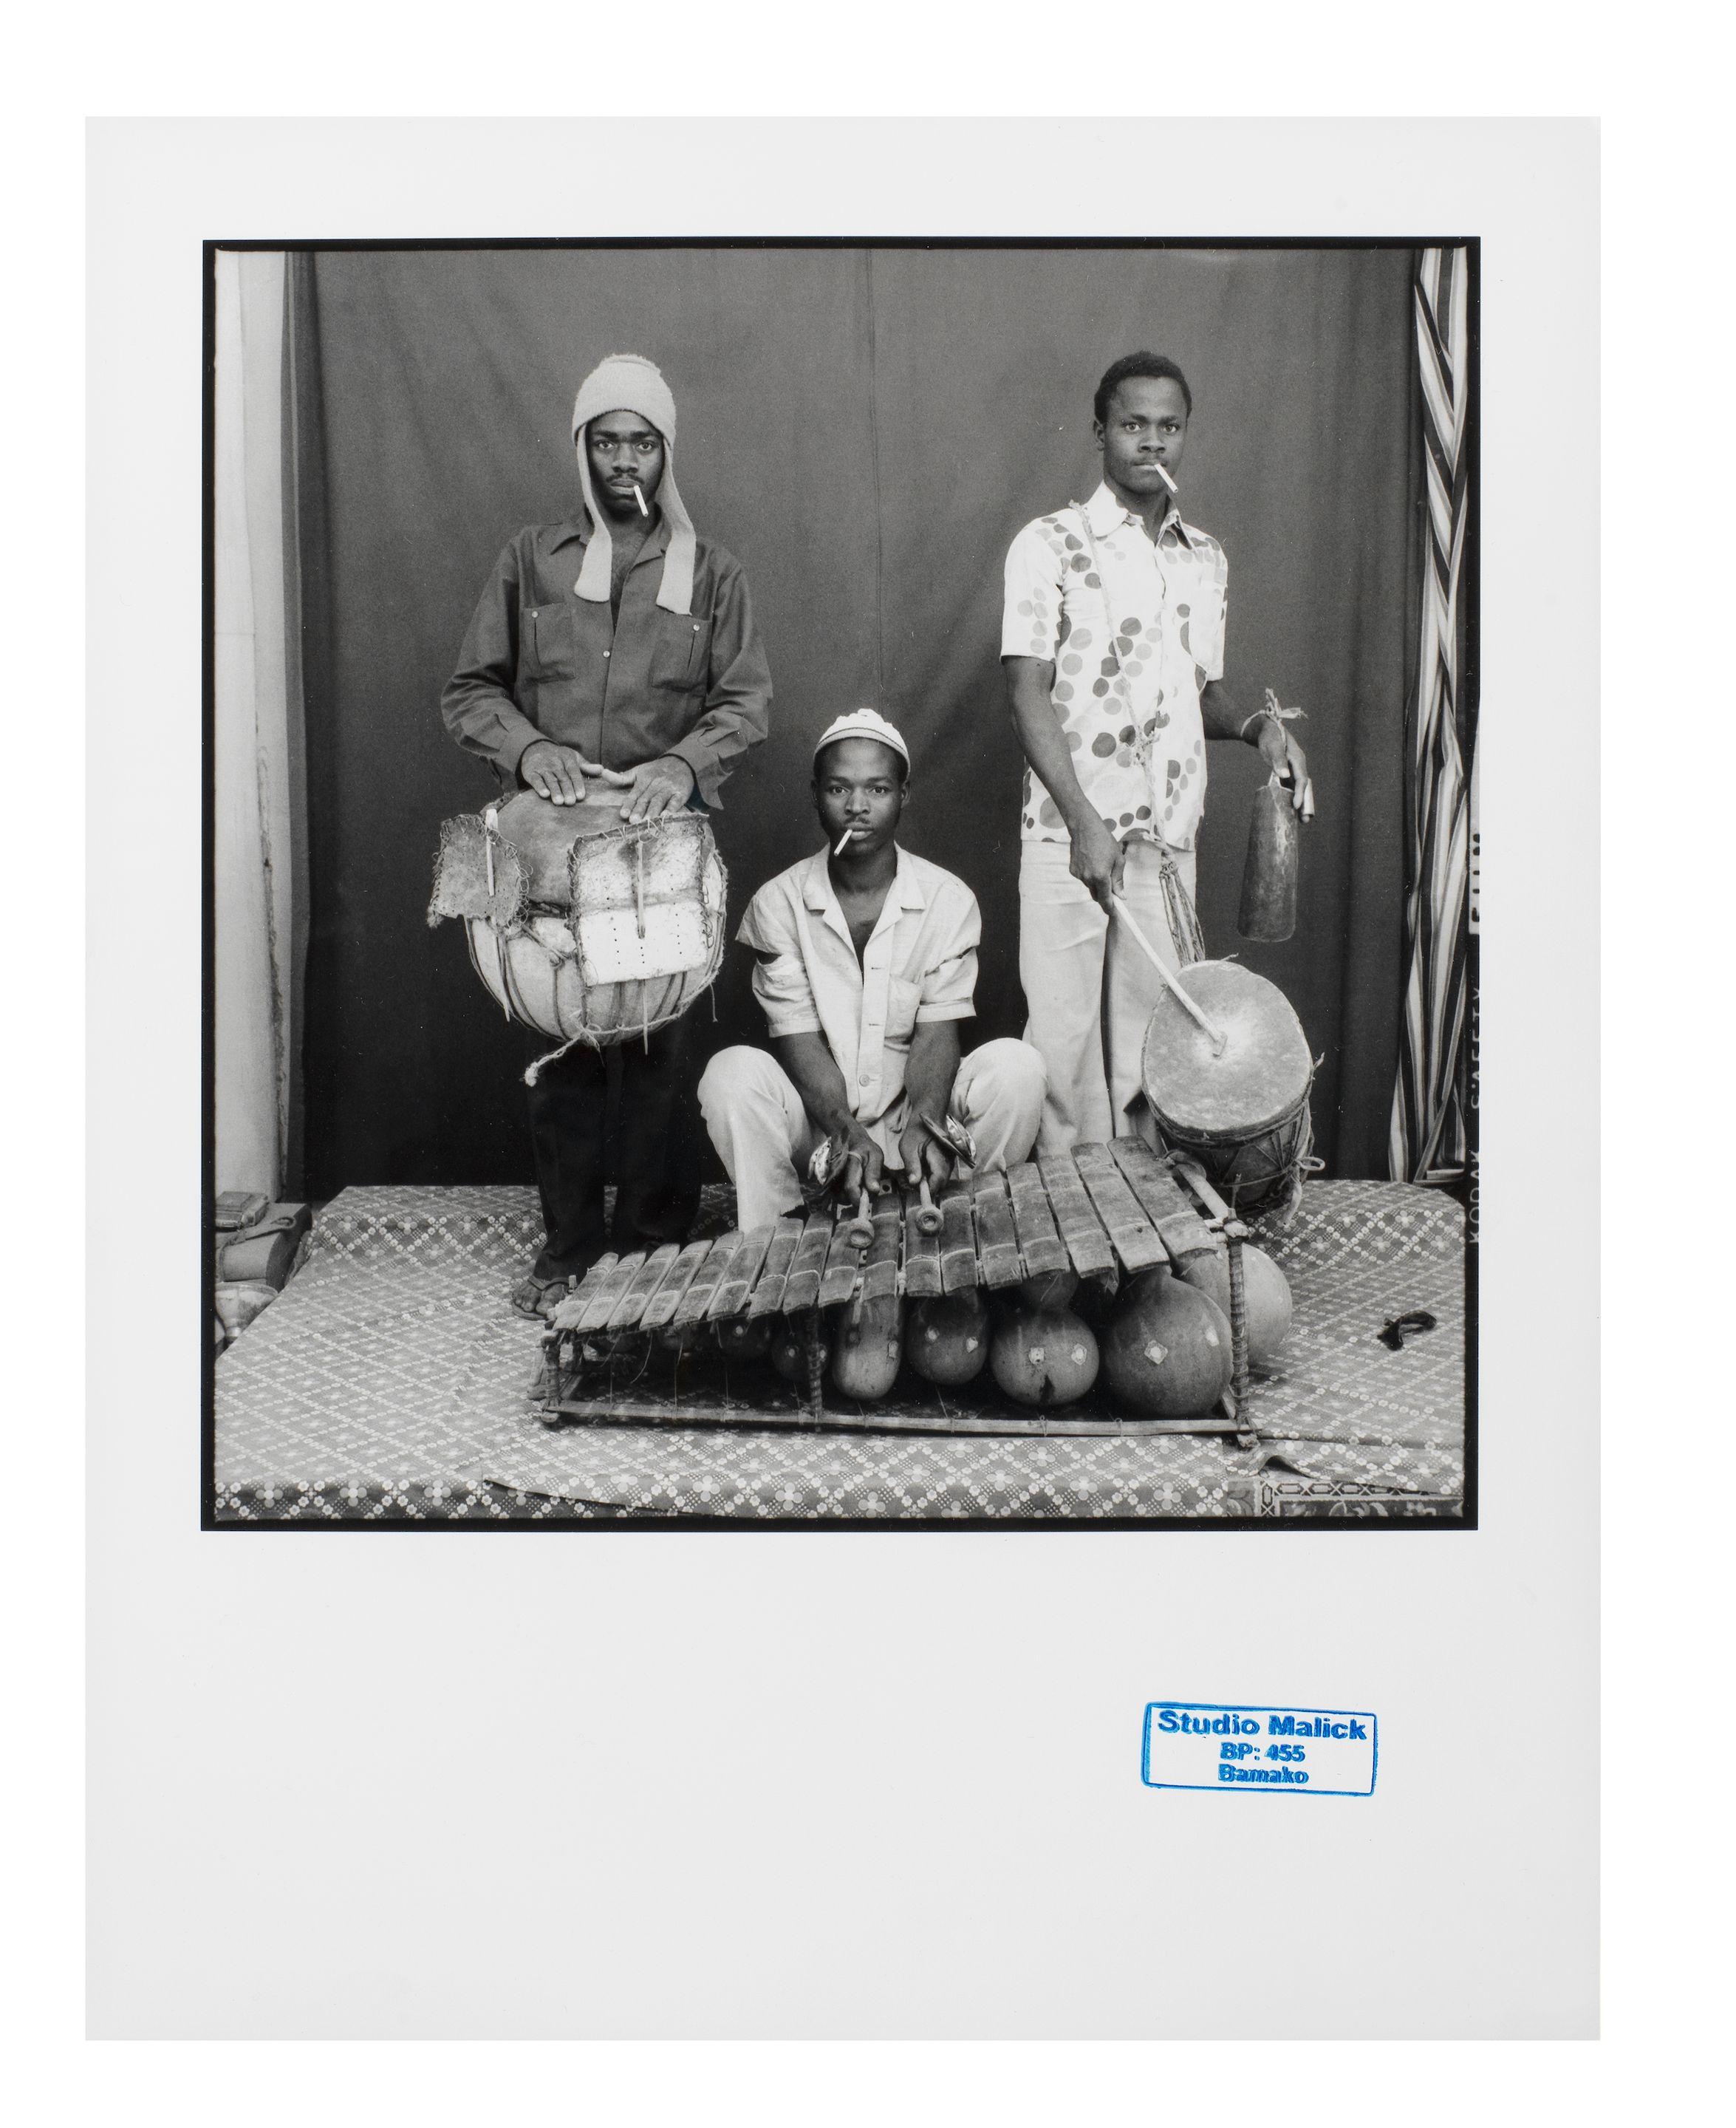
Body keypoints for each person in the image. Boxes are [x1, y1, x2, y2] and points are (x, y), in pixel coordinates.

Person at [441, 353, 773, 1314]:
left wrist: (681, 765)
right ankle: (571, 1251)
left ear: (666, 453)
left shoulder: (712, 574)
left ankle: (653, 1255)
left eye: (642, 440)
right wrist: (529, 746)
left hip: (654, 847)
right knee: (571, 1059)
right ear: (581, 449)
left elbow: (744, 703)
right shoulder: (529, 560)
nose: (624, 457)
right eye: (606, 438)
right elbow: (470, 691)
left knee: (657, 1056)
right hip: (545, 850)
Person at [1002, 350, 1309, 1151]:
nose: (1151, 443)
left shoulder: (1203, 559)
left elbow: (1199, 693)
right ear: (1100, 430)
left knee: (1155, 1041)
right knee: (1063, 1043)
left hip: (1168, 838)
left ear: (1184, 436)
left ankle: (1144, 1232)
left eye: (1168, 427)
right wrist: (1081, 822)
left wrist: (1257, 730)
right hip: (1067, 832)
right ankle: (1063, 1244)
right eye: (1133, 425)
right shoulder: (1051, 543)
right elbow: (1025, 689)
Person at [698, 710, 1046, 1232]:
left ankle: (969, 1224)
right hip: (823, 1130)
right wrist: (844, 1133)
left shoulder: (947, 900)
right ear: (815, 794)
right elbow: (799, 1040)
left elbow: (938, 1033)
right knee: (729, 1075)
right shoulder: (778, 904)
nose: (857, 808)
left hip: (915, 1125)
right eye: (839, 789)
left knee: (1018, 1066)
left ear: (903, 796)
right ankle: (779, 1245)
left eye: (878, 789)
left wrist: (928, 1120)